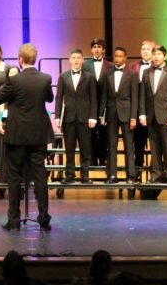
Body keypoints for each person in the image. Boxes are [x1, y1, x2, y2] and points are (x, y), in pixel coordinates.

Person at [0, 43, 54, 231]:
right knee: (40, 177)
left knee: (14, 178)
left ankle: (13, 220)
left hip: (17, 136)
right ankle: (44, 217)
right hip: (38, 136)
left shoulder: (14, 81)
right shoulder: (45, 78)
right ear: (35, 58)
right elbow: (49, 99)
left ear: (20, 60)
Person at [139, 45, 167, 184]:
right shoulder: (146, 72)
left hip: (166, 115)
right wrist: (142, 114)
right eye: (154, 54)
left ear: (165, 56)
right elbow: (142, 95)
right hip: (151, 115)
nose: (156, 56)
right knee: (154, 147)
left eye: (158, 54)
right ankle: (156, 173)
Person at [55, 49, 97, 183]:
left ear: (83, 59)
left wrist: (93, 116)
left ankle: (85, 175)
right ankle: (70, 175)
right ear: (70, 59)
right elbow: (59, 98)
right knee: (69, 148)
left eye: (79, 57)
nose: (76, 60)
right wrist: (57, 117)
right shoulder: (63, 76)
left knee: (86, 148)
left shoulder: (90, 77)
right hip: (68, 117)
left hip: (85, 117)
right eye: (73, 57)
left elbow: (93, 98)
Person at [100, 47, 136, 183]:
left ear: (125, 58)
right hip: (111, 113)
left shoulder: (132, 74)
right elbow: (104, 96)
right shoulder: (107, 73)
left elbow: (134, 97)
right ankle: (112, 175)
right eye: (116, 56)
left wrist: (133, 117)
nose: (118, 58)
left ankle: (130, 175)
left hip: (126, 113)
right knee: (112, 145)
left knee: (128, 145)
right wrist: (101, 115)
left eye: (121, 56)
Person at [82, 38, 111, 169]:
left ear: (103, 50)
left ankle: (103, 159)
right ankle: (92, 159)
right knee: (91, 133)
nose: (97, 49)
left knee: (104, 133)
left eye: (99, 47)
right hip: (89, 104)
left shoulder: (110, 66)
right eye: (94, 47)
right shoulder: (84, 65)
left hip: (106, 104)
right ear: (91, 49)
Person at [129, 40, 155, 175]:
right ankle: (138, 166)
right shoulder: (133, 66)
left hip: (154, 109)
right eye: (143, 49)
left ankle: (155, 170)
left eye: (148, 49)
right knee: (138, 140)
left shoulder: (158, 67)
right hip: (138, 108)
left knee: (155, 142)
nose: (145, 51)